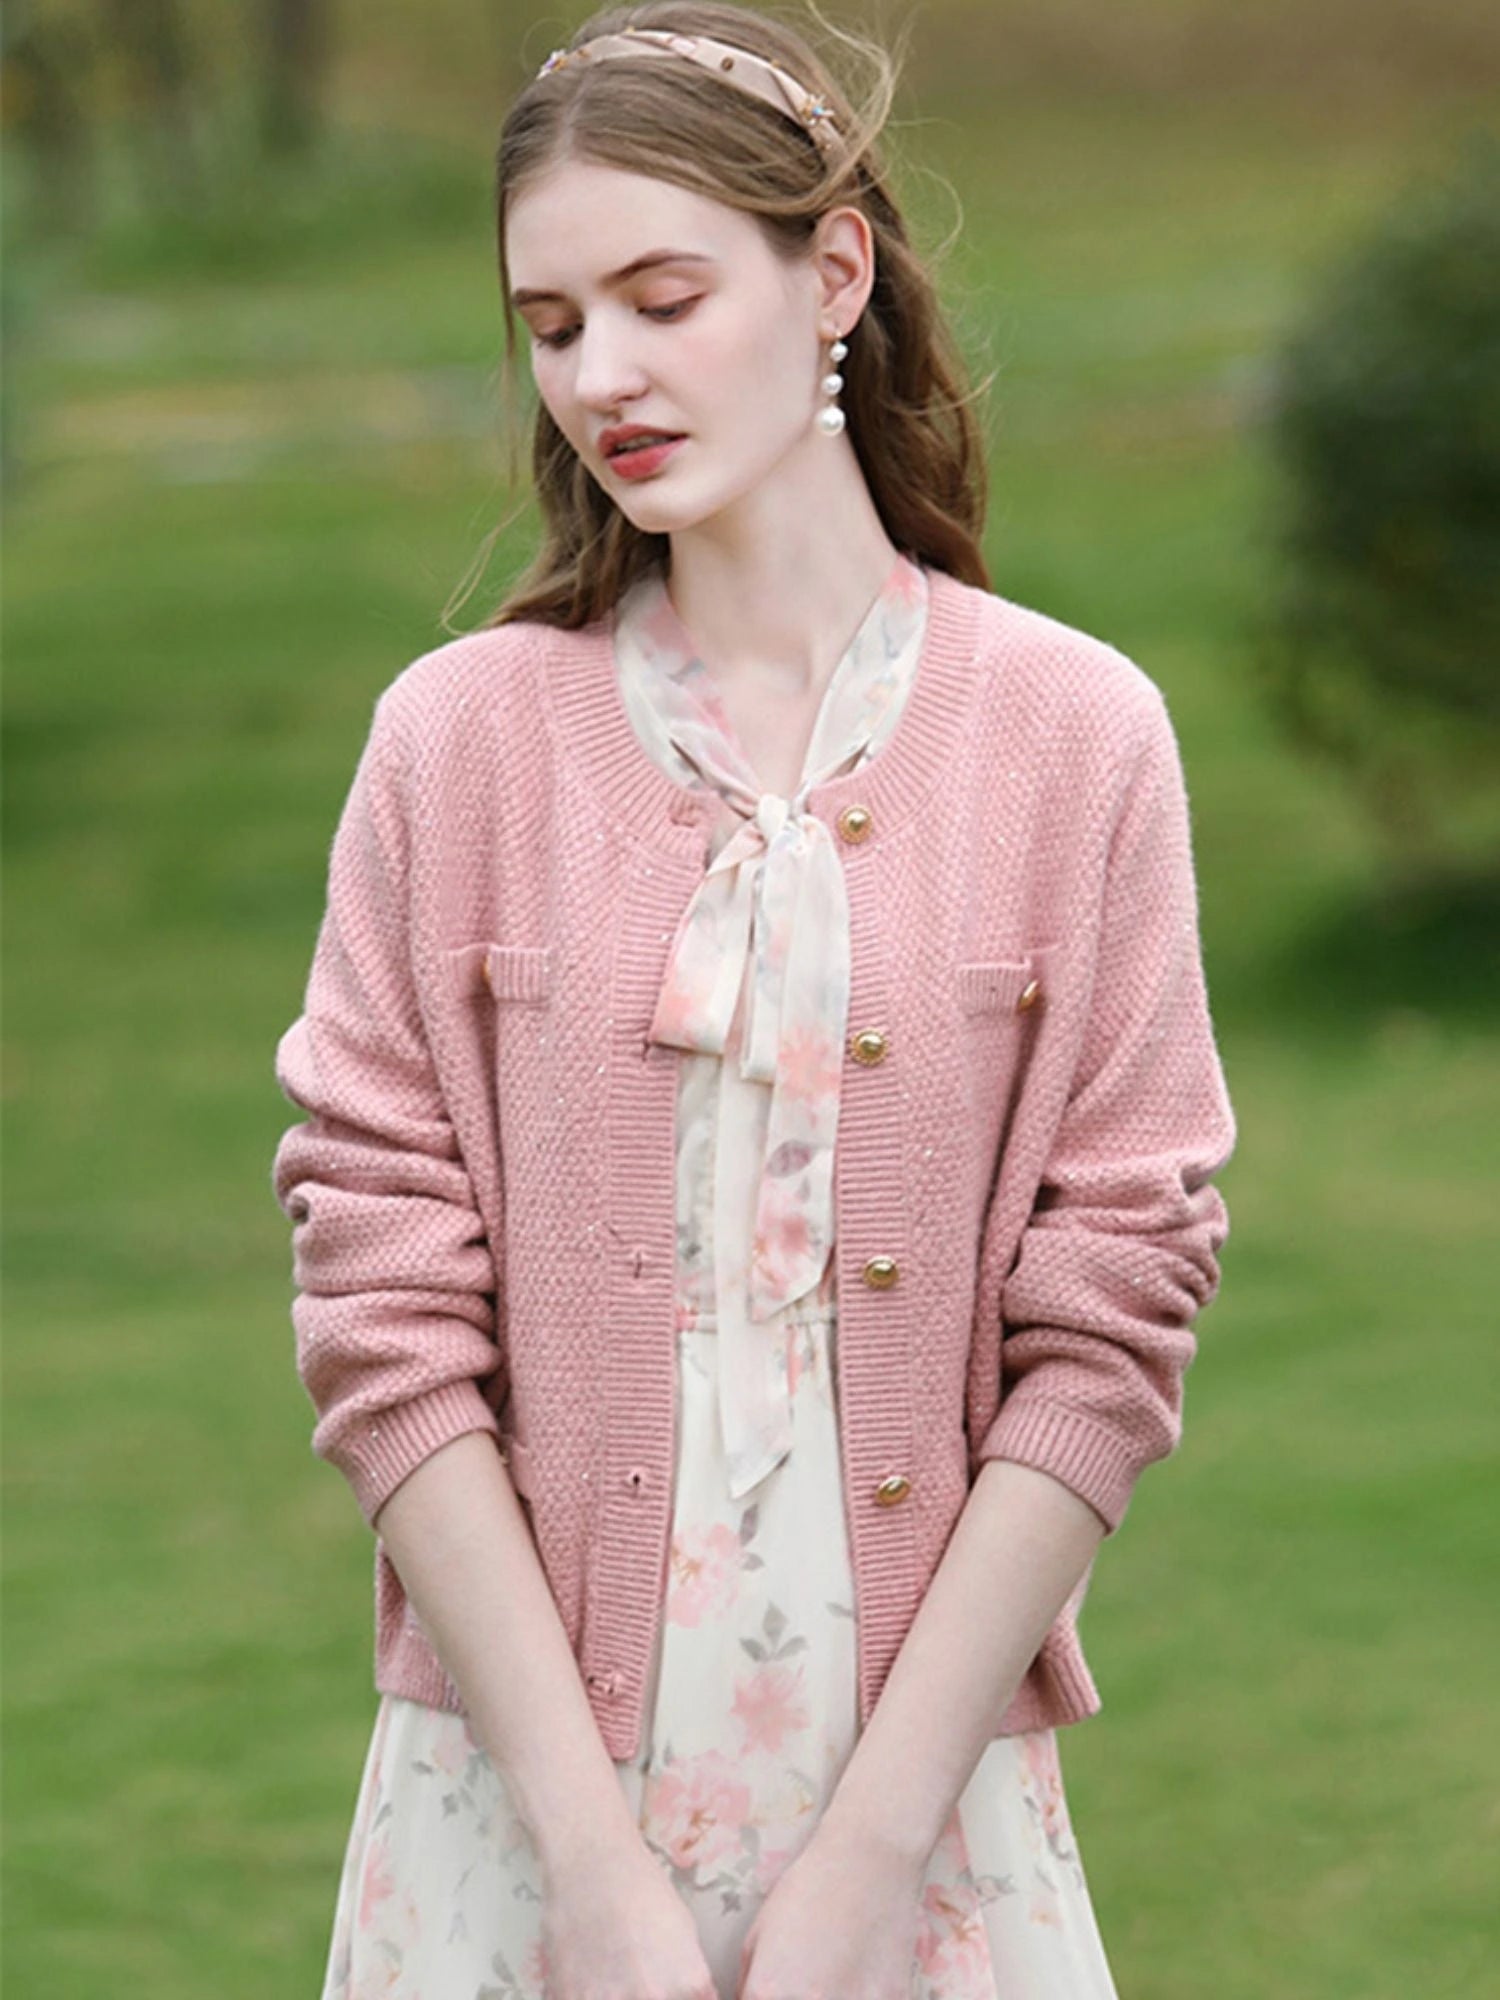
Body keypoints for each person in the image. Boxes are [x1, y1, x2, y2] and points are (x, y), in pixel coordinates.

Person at [270, 5, 1238, 1995]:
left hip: (922, 1822)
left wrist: (866, 1866)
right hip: (513, 1818)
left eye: (660, 295)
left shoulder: (1072, 737)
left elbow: (1115, 1311)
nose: (601, 375)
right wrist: (589, 1865)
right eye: (552, 324)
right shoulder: (456, 747)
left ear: (836, 277)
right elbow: (379, 1303)